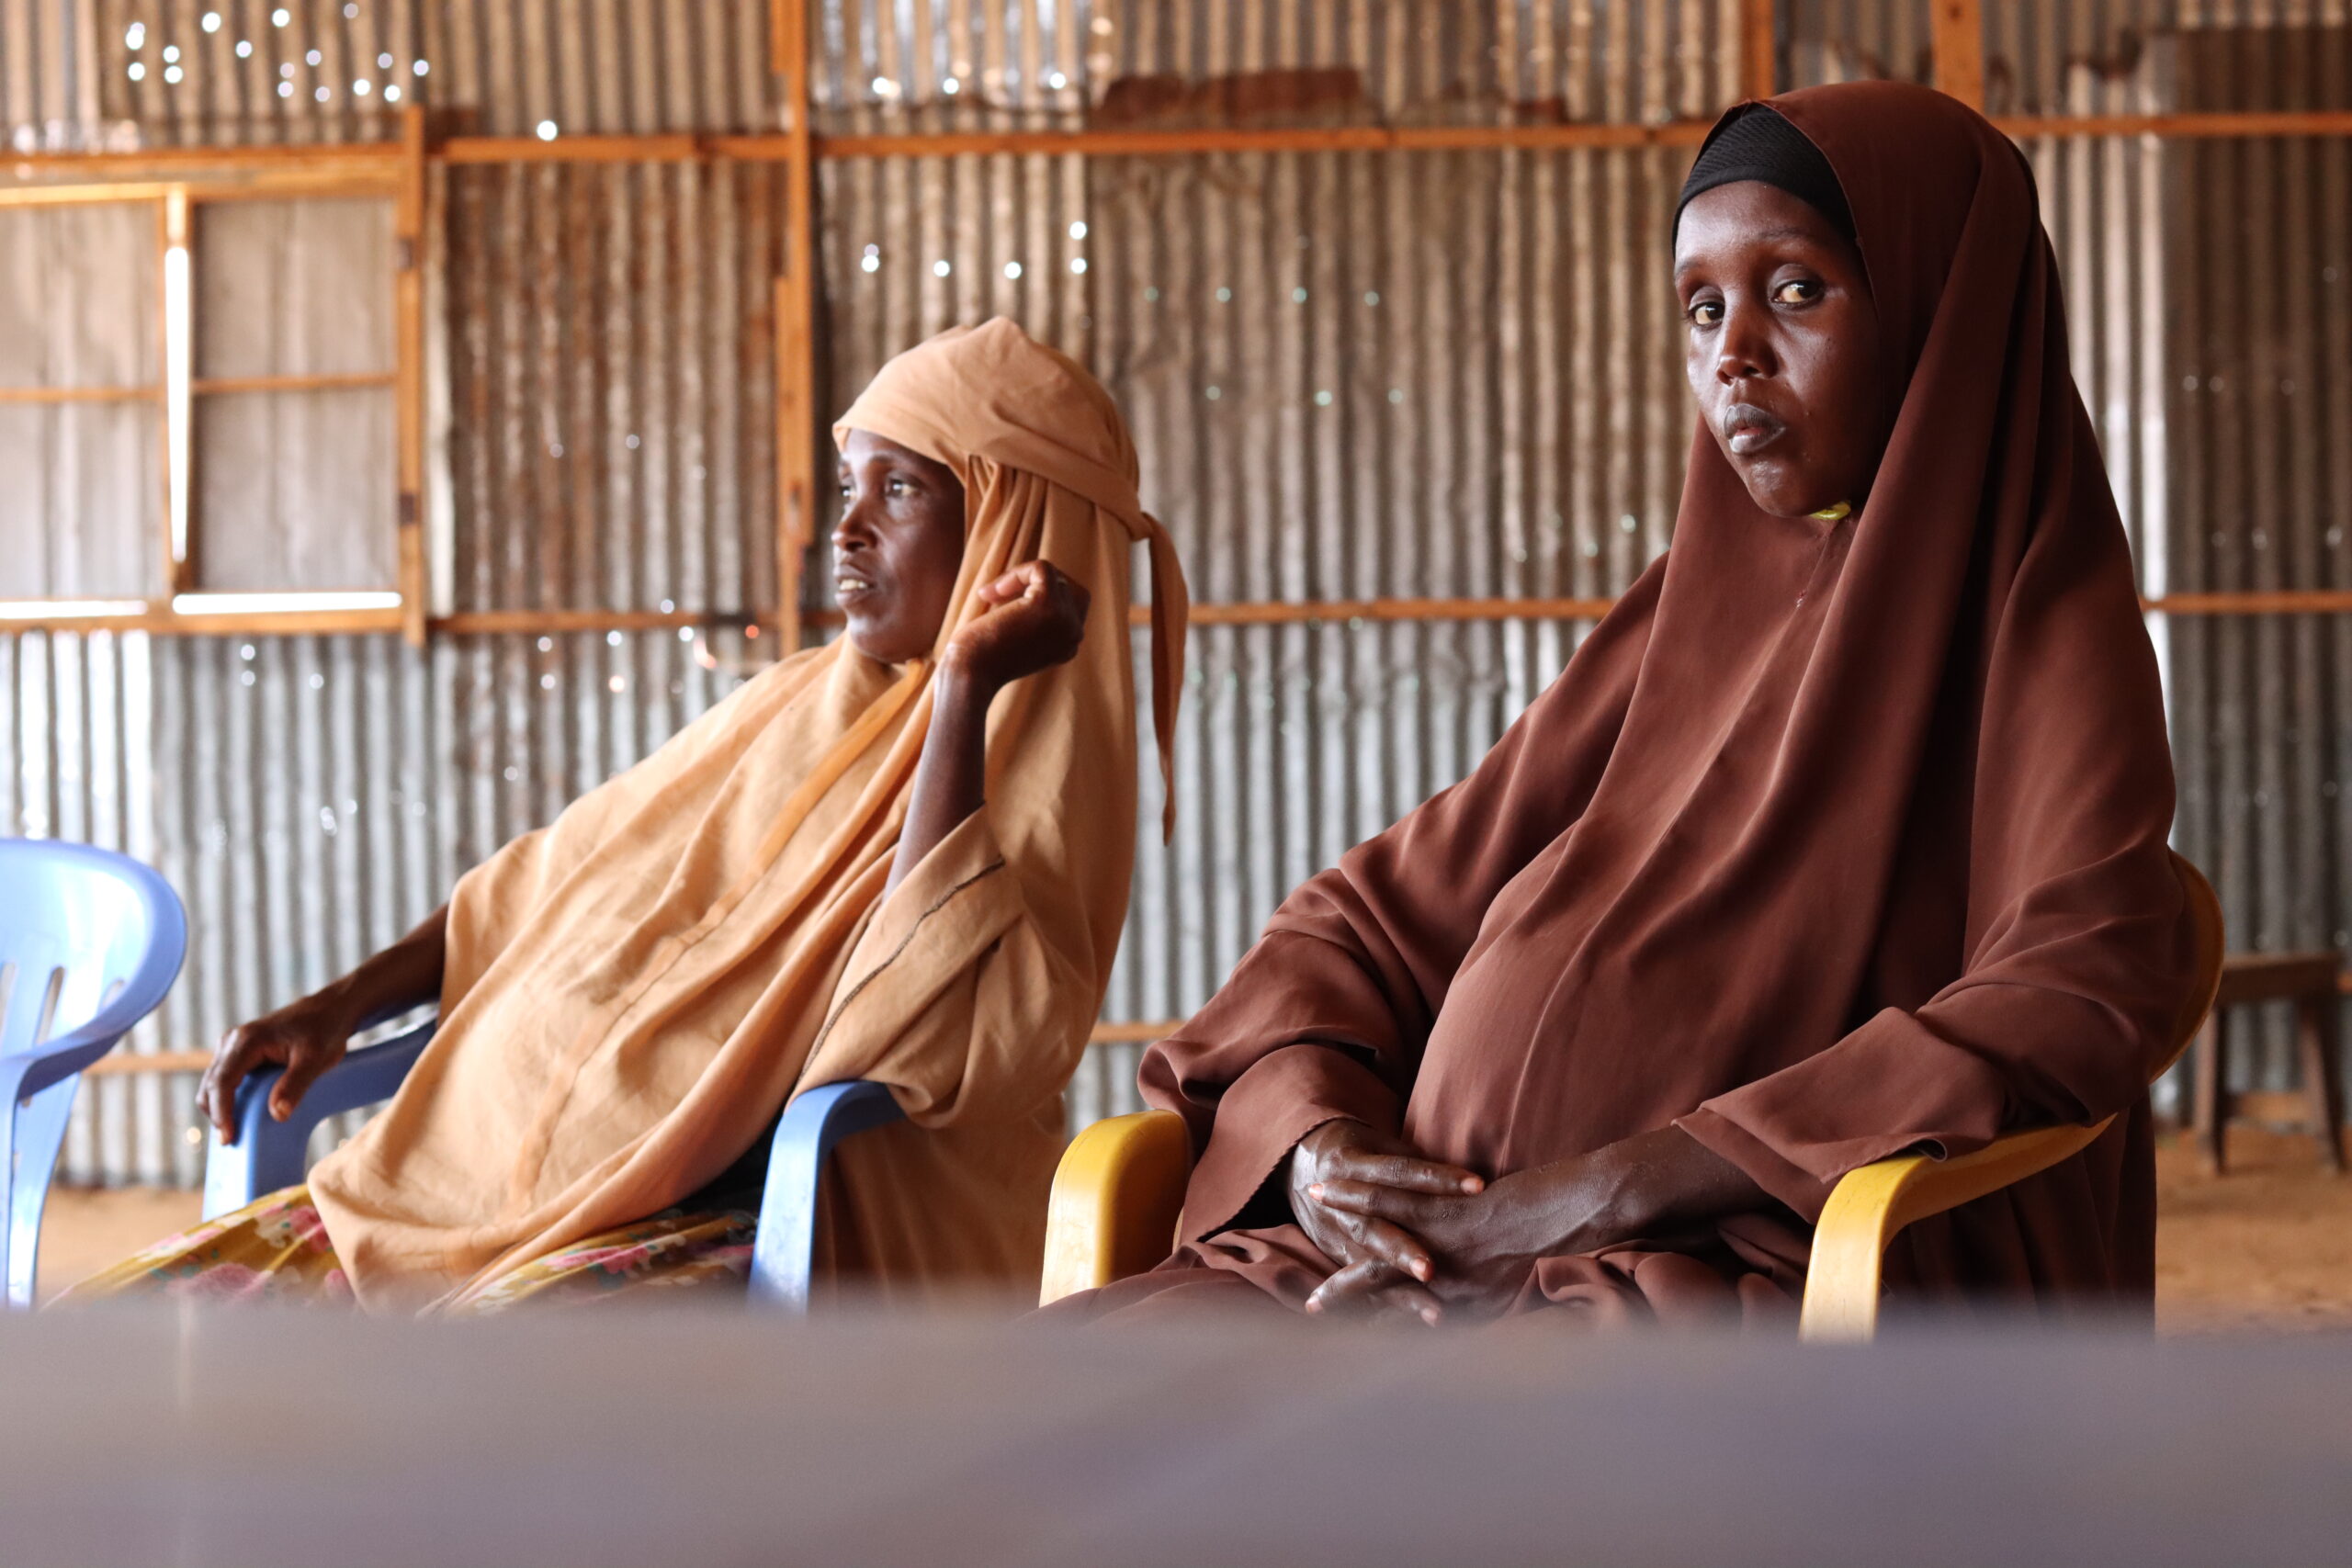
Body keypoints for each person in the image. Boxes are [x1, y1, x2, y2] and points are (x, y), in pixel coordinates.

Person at [1048, 82, 2199, 1330]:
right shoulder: (1679, 621)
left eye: (1797, 289)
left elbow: (2086, 978)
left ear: (1940, 308)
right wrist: (1324, 1149)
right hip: (1396, 1264)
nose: (1732, 353)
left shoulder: (2037, 628)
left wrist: (1591, 1196)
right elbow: (1357, 924)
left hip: (1688, 1281)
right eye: (1700, 307)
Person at [67, 319, 1189, 1313]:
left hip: (712, 1220)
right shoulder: (789, 705)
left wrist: (961, 694)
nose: (847, 532)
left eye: (901, 490)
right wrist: (339, 1007)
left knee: (408, 1435)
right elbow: (547, 880)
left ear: (1010, 525)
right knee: (125, 1342)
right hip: (461, 1194)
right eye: (850, 487)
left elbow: (931, 1030)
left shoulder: (1026, 784)